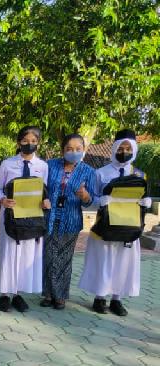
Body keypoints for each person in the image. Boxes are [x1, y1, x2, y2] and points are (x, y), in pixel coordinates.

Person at [78, 129, 151, 316]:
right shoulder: (100, 173)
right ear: (114, 149)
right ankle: (100, 298)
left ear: (134, 149)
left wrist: (146, 203)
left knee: (123, 265)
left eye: (128, 148)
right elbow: (90, 199)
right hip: (106, 227)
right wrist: (100, 201)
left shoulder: (140, 175)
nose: (124, 152)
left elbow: (142, 198)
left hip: (129, 228)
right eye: (120, 148)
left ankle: (117, 300)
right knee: (104, 262)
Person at [0, 126, 51, 312]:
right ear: (19, 142)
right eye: (26, 141)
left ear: (38, 143)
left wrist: (46, 202)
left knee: (26, 256)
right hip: (11, 216)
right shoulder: (7, 164)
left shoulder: (42, 166)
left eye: (34, 141)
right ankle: (5, 295)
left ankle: (18, 294)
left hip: (32, 217)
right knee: (8, 255)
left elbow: (44, 191)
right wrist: (2, 200)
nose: (29, 144)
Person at [41, 134, 96, 309]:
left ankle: (60, 296)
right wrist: (43, 199)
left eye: (78, 149)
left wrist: (85, 196)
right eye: (69, 149)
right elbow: (41, 188)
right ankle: (48, 294)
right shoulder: (50, 165)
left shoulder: (89, 171)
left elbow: (92, 200)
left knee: (64, 259)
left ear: (83, 150)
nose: (74, 152)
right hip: (49, 218)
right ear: (62, 150)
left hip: (71, 221)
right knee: (48, 257)